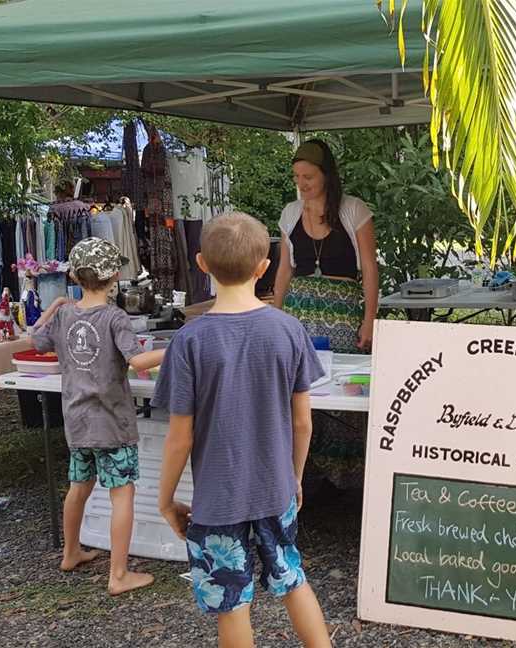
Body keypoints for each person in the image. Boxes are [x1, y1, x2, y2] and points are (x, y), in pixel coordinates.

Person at [154, 213, 332, 648]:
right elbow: (302, 421)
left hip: (217, 499)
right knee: (292, 578)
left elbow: (180, 437)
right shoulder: (289, 330)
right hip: (275, 488)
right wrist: (294, 475)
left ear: (201, 263)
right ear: (264, 267)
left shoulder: (189, 342)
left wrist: (164, 499)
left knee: (231, 602)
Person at [30, 237, 164, 596]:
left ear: (74, 275)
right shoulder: (114, 317)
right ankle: (118, 575)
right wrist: (177, 347)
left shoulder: (64, 315)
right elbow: (137, 361)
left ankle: (70, 552)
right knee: (123, 494)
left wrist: (55, 304)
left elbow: (35, 339)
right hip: (112, 424)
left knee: (79, 487)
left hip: (77, 422)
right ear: (115, 275)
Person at [273, 139, 379, 353]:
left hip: (343, 314)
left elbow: (370, 269)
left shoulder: (353, 209)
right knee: (300, 380)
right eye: (296, 176)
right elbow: (284, 270)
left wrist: (369, 321)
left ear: (326, 176)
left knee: (344, 379)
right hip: (298, 312)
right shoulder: (290, 213)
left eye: (308, 177)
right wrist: (276, 316)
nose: (301, 184)